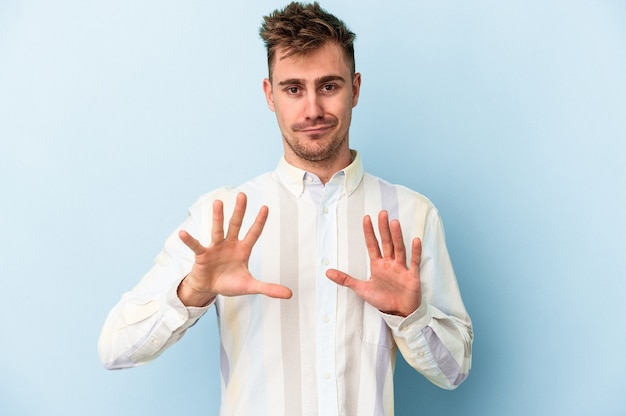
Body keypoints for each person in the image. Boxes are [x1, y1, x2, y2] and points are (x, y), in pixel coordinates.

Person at [98, 2, 473, 415]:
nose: (312, 109)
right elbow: (114, 349)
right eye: (293, 89)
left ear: (356, 87)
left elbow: (453, 371)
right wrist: (193, 291)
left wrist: (410, 315)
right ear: (269, 94)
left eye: (329, 86)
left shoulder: (410, 214)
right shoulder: (221, 217)